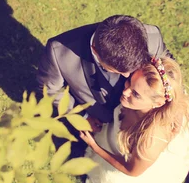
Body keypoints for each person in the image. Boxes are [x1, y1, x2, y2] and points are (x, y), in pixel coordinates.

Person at [79, 57, 189, 183]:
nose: (125, 92)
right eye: (129, 82)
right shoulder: (142, 97)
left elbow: (132, 171)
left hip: (134, 163)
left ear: (157, 103)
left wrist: (95, 146)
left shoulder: (150, 141)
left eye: (135, 94)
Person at [36, 15, 170, 133]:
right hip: (99, 120)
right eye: (118, 71)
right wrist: (81, 117)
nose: (127, 76)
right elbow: (50, 89)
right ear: (95, 50)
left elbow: (168, 72)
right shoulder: (59, 52)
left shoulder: (153, 39)